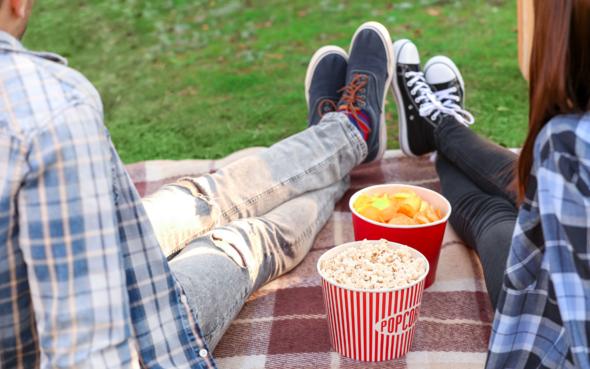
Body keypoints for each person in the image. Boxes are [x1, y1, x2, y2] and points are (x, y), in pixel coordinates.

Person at [4, 0, 468, 366]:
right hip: (139, 338)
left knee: (203, 198)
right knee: (242, 237)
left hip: (89, 270)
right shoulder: (47, 104)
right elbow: (89, 347)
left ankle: (344, 136)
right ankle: (350, 133)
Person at [390, 0, 590, 367]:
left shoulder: (566, 143)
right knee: (525, 184)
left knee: (496, 210)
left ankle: (436, 127)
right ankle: (437, 127)